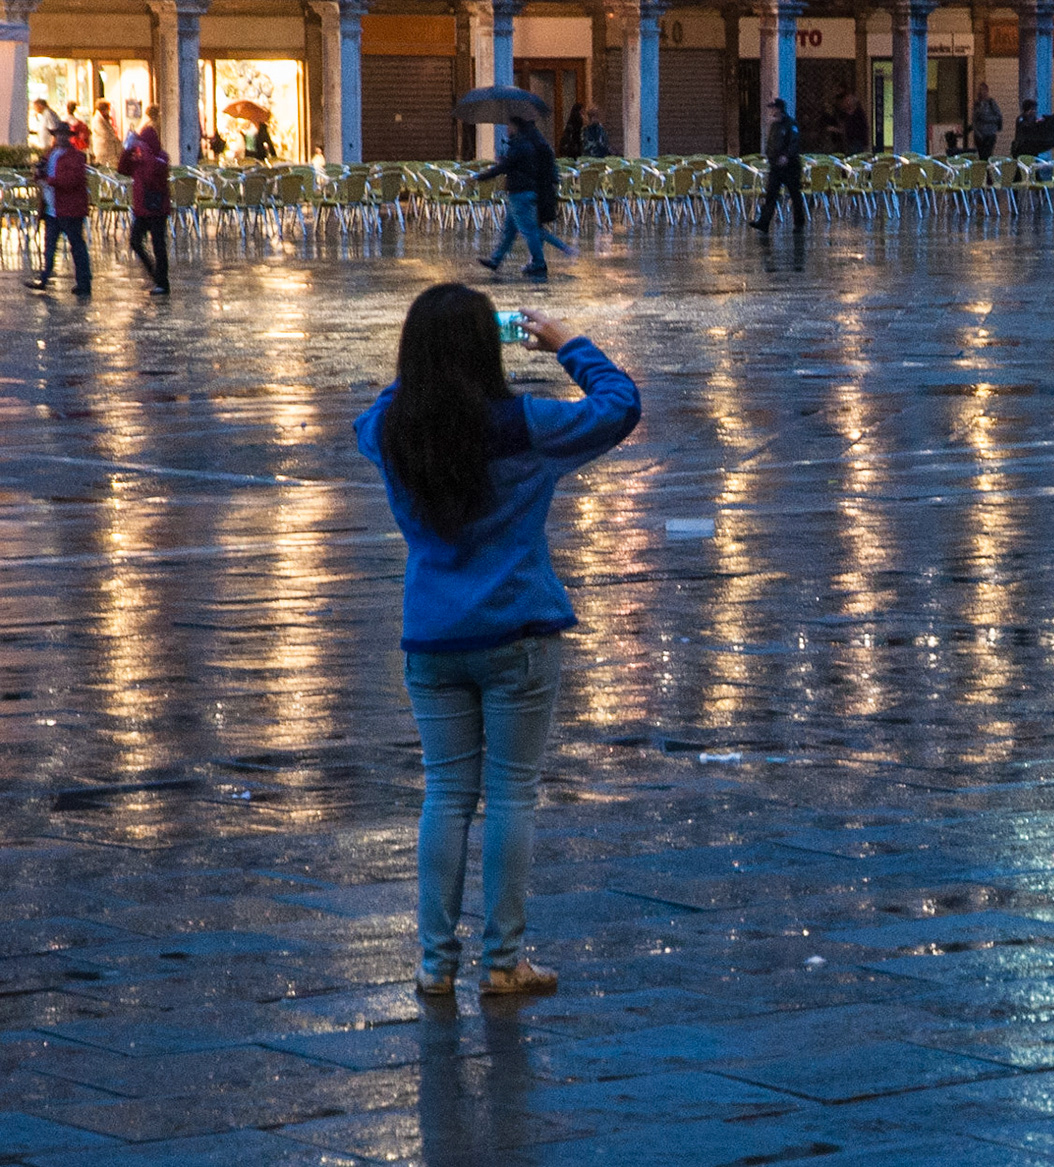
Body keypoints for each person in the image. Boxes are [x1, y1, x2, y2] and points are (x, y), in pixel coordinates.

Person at [354, 284, 641, 998]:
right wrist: (568, 342)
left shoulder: (391, 430)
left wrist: (417, 372)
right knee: (512, 792)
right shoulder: (526, 426)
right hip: (518, 628)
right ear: (491, 347)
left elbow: (375, 411)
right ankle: (504, 959)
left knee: (446, 794)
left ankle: (433, 963)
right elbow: (620, 405)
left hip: (432, 636)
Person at [475, 116, 568, 277]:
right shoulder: (524, 144)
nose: (507, 129)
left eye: (509, 126)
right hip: (519, 193)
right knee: (510, 231)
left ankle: (540, 261)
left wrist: (481, 176)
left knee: (529, 230)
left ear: (516, 127)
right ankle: (496, 260)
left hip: (521, 193)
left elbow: (506, 167)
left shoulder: (520, 146)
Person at [26, 122, 90, 297]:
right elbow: (43, 175)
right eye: (58, 134)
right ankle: (44, 277)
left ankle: (84, 282)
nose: (60, 137)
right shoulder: (50, 154)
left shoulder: (75, 157)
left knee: (76, 245)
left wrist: (49, 180)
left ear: (69, 137)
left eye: (64, 134)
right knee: (50, 245)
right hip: (52, 208)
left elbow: (71, 180)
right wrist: (38, 174)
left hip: (69, 208)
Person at [118, 123, 171, 295]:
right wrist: (128, 151)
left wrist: (145, 152)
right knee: (135, 242)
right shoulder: (139, 158)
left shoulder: (161, 158)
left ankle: (162, 282)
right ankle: (154, 273)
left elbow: (150, 175)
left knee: (159, 246)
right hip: (142, 209)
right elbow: (122, 169)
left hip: (157, 209)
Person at [750, 97, 805, 233]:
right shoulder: (775, 126)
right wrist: (770, 157)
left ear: (779, 109)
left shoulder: (791, 124)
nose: (772, 111)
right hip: (776, 167)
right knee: (771, 194)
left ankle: (799, 223)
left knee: (794, 194)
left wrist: (786, 156)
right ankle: (764, 222)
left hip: (790, 167)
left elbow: (794, 142)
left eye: (773, 108)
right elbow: (770, 144)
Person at [972, 83, 1002, 159]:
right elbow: (974, 119)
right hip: (979, 135)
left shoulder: (991, 102)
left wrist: (987, 119)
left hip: (990, 134)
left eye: (984, 90)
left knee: (988, 154)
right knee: (981, 155)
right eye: (980, 90)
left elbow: (998, 116)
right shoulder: (977, 103)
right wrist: (977, 132)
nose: (982, 92)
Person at [836, 91, 870, 155]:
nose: (844, 103)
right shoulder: (846, 114)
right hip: (851, 141)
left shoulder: (858, 114)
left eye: (846, 101)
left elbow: (853, 129)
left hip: (857, 142)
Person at [89, 100, 120, 169]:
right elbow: (105, 134)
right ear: (102, 109)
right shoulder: (97, 120)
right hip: (104, 151)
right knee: (106, 169)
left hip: (110, 150)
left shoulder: (105, 119)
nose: (108, 111)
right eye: (107, 109)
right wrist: (115, 138)